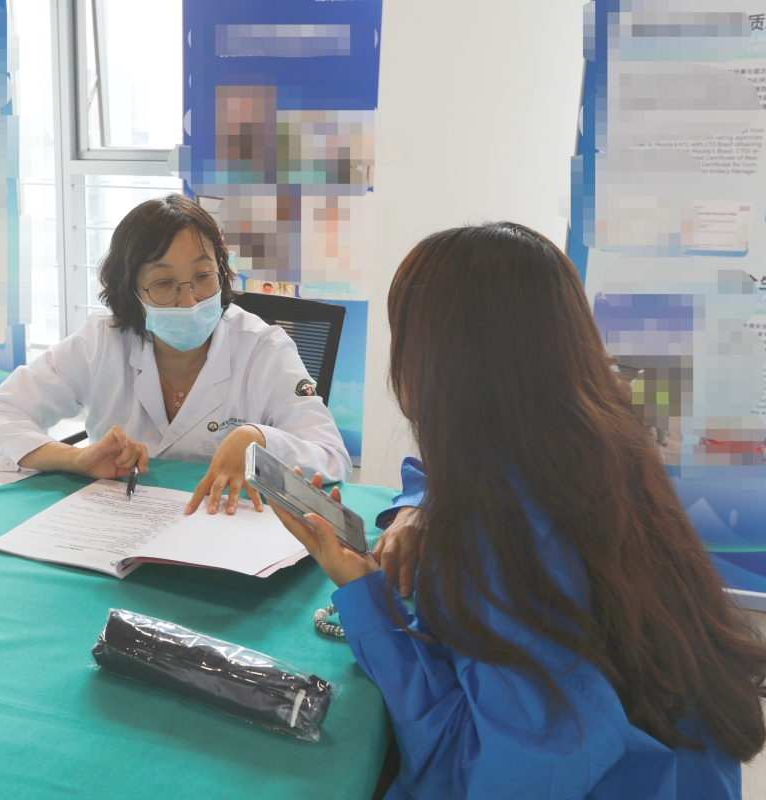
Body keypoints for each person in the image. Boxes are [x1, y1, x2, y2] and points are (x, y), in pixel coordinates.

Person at [271, 222, 766, 799]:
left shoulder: (504, 545)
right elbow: (435, 476)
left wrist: (367, 602)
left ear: (441, 364)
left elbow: (475, 770)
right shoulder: (598, 445)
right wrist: (418, 510)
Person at [0, 194, 350, 514]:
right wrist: (73, 459)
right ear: (130, 292)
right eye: (164, 283)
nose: (189, 300)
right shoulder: (100, 342)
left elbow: (332, 457)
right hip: (119, 526)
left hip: (227, 528)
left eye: (203, 276)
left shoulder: (264, 349)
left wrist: (258, 439)